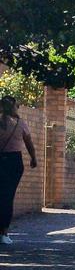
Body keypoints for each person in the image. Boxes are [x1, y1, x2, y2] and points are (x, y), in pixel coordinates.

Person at [0, 95, 38, 245]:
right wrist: (33, 158)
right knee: (7, 197)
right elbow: (28, 142)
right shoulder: (20, 123)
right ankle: (4, 233)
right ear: (14, 107)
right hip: (14, 162)